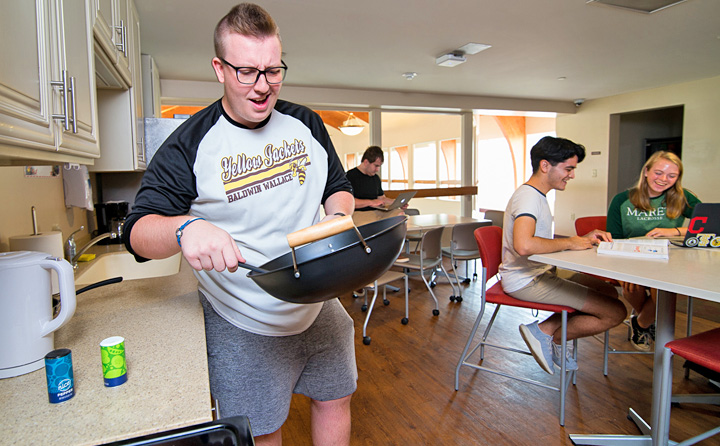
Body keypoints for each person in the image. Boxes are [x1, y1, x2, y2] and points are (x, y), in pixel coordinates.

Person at [122, 4, 356, 445]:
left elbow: (337, 185)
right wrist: (185, 228)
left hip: (318, 301)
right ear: (219, 68)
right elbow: (138, 230)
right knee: (262, 430)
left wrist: (338, 215)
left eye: (273, 70)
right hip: (243, 317)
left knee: (335, 399)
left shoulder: (306, 123)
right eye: (247, 71)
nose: (262, 86)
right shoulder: (190, 143)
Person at [500, 136, 627, 374]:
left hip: (537, 274)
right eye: (568, 169)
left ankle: (545, 331)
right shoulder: (529, 197)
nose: (572, 175)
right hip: (526, 280)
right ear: (545, 165)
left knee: (608, 291)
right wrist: (569, 242)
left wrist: (579, 240)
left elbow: (537, 241)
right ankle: (549, 334)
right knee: (616, 312)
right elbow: (525, 245)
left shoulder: (535, 195)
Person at [606, 150, 700, 351]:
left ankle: (641, 323)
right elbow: (614, 239)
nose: (664, 179)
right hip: (632, 259)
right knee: (632, 286)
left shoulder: (683, 197)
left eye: (671, 176)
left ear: (677, 178)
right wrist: (622, 267)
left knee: (664, 286)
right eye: (658, 173)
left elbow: (708, 224)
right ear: (646, 171)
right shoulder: (622, 200)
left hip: (670, 261)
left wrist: (674, 230)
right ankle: (648, 321)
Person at [345, 146, 395, 211]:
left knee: (400, 214)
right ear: (366, 162)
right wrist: (371, 202)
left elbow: (381, 198)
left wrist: (395, 203)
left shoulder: (376, 178)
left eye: (379, 166)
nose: (377, 170)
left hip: (375, 214)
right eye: (376, 166)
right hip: (358, 215)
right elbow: (347, 202)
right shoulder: (349, 177)